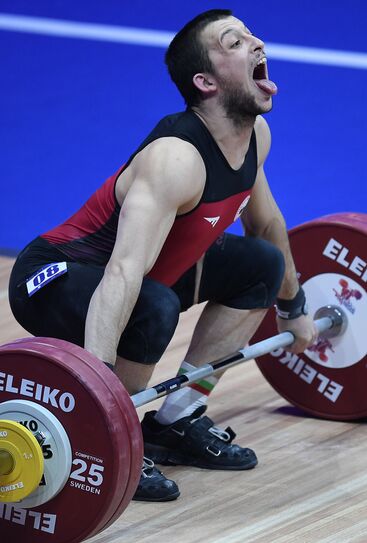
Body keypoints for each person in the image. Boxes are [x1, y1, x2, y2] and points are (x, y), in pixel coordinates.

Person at [8, 9, 317, 502]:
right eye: (235, 42)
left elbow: (267, 225)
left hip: (148, 274)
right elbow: (123, 270)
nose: (258, 43)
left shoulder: (254, 137)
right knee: (152, 306)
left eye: (252, 35)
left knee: (261, 264)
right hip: (56, 275)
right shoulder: (174, 158)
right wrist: (99, 396)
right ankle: (121, 434)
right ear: (206, 82)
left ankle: (175, 421)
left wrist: (294, 309)